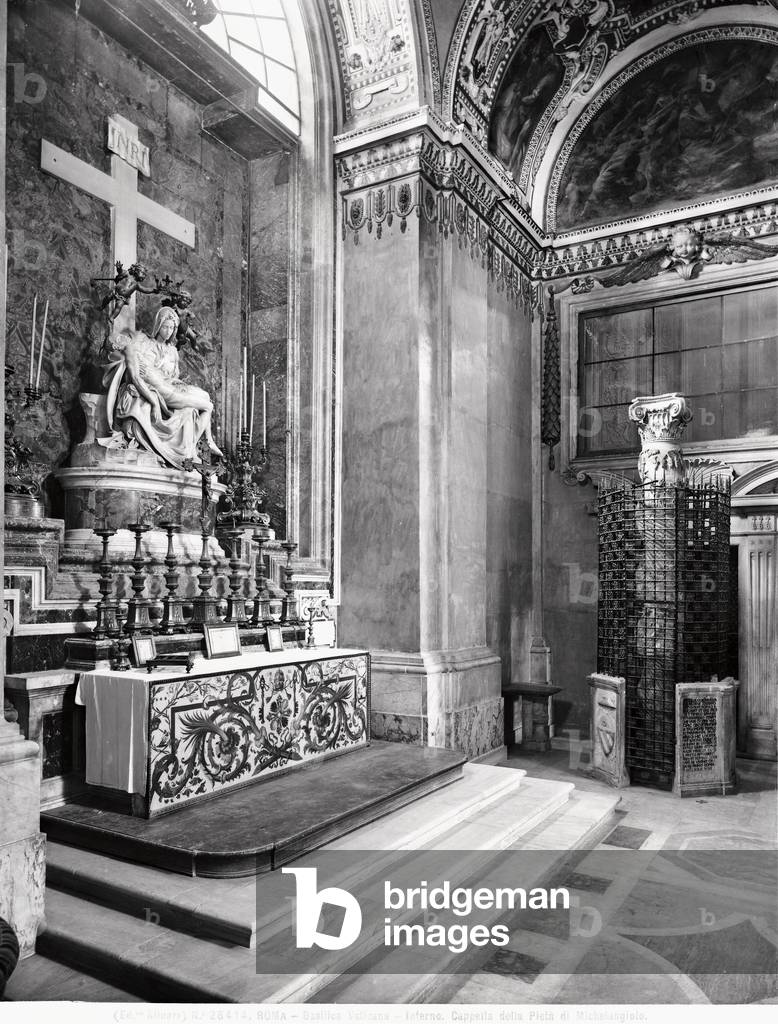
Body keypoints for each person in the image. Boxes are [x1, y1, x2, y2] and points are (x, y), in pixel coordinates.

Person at [101, 305, 222, 470]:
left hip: (169, 385)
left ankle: (199, 445)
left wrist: (177, 381)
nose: (168, 331)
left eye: (171, 328)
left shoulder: (172, 350)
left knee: (205, 396)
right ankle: (205, 442)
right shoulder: (137, 345)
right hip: (161, 390)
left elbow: (172, 375)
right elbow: (135, 377)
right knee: (208, 405)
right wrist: (155, 401)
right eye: (165, 326)